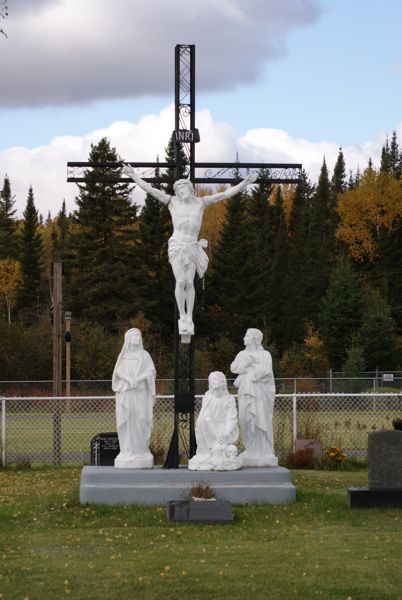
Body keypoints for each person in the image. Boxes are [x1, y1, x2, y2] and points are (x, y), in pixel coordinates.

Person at [123, 164, 257, 337]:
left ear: (190, 188)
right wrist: (133, 175)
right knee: (180, 282)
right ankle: (183, 315)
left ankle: (189, 316)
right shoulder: (172, 202)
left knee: (189, 282)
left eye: (182, 188)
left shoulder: (201, 202)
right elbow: (150, 189)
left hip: (192, 246)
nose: (180, 191)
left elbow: (224, 194)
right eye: (177, 189)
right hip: (177, 246)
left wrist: (244, 183)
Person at [230, 328, 278, 467]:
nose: (244, 338)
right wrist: (246, 363)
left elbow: (267, 372)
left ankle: (263, 451)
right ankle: (250, 449)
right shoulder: (241, 354)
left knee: (259, 419)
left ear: (255, 339)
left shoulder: (265, 355)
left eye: (246, 336)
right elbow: (233, 368)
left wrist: (255, 367)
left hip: (260, 392)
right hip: (245, 390)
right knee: (244, 418)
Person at [112, 328, 156, 469]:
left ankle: (141, 451)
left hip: (141, 393)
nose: (138, 337)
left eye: (139, 335)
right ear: (128, 339)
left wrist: (138, 379)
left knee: (141, 419)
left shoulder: (145, 356)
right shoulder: (123, 356)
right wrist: (129, 380)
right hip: (126, 393)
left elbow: (151, 371)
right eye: (135, 335)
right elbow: (118, 371)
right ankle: (127, 451)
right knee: (127, 420)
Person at [188, 371, 242, 471]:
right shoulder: (207, 398)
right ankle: (205, 453)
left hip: (225, 431)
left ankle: (221, 453)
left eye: (215, 379)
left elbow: (232, 418)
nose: (213, 381)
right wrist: (215, 434)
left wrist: (225, 433)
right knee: (200, 421)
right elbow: (206, 417)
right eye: (211, 379)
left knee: (221, 451)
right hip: (210, 430)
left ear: (222, 382)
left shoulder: (229, 399)